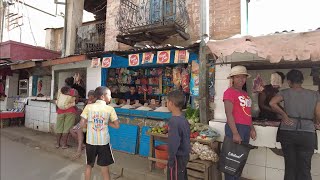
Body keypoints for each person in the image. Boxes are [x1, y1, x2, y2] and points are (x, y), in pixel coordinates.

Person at [270, 69, 320, 180]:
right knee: (305, 168)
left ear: (289, 81)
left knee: (290, 167)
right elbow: (318, 113)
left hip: (288, 132)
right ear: (302, 80)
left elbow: (272, 103)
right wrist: (317, 123)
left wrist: (284, 115)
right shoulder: (314, 94)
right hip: (307, 134)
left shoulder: (285, 92)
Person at [223, 66, 257, 180]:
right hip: (235, 128)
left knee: (239, 161)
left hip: (245, 129)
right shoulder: (229, 92)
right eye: (238, 77)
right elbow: (229, 114)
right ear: (232, 78)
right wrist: (235, 133)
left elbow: (248, 114)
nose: (241, 79)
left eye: (244, 77)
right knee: (231, 162)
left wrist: (251, 128)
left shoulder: (245, 94)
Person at [80, 86, 120, 180]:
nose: (111, 97)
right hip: (103, 143)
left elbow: (82, 123)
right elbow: (117, 126)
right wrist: (107, 122)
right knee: (105, 167)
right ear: (103, 96)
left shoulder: (88, 107)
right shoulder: (110, 109)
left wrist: (87, 126)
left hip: (90, 141)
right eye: (109, 95)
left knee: (89, 165)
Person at [166, 90, 190, 180]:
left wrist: (171, 159)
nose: (166, 104)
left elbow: (173, 143)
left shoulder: (174, 121)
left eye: (167, 101)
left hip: (177, 157)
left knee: (174, 176)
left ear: (171, 103)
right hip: (184, 155)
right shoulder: (183, 119)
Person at [70, 90, 95, 159]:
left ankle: (79, 149)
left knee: (79, 129)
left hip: (91, 123)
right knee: (71, 130)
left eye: (91, 96)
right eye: (89, 96)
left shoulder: (96, 104)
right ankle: (83, 145)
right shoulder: (87, 102)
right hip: (83, 121)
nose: (90, 98)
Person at [55, 77, 78, 149]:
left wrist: (57, 109)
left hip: (60, 111)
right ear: (73, 83)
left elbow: (57, 100)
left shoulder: (60, 90)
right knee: (67, 128)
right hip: (70, 111)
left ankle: (57, 144)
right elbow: (76, 101)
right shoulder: (74, 91)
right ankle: (64, 145)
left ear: (65, 83)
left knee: (59, 128)